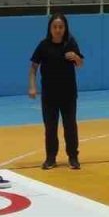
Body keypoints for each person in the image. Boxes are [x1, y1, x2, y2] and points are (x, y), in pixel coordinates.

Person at [28, 12, 84, 170]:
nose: (58, 29)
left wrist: (76, 57)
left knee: (70, 126)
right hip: (49, 95)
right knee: (50, 127)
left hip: (68, 94)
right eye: (55, 27)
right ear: (50, 28)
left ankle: (73, 157)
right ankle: (50, 158)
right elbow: (33, 68)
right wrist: (32, 86)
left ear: (65, 28)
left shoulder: (70, 43)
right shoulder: (43, 45)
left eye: (61, 27)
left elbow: (80, 64)